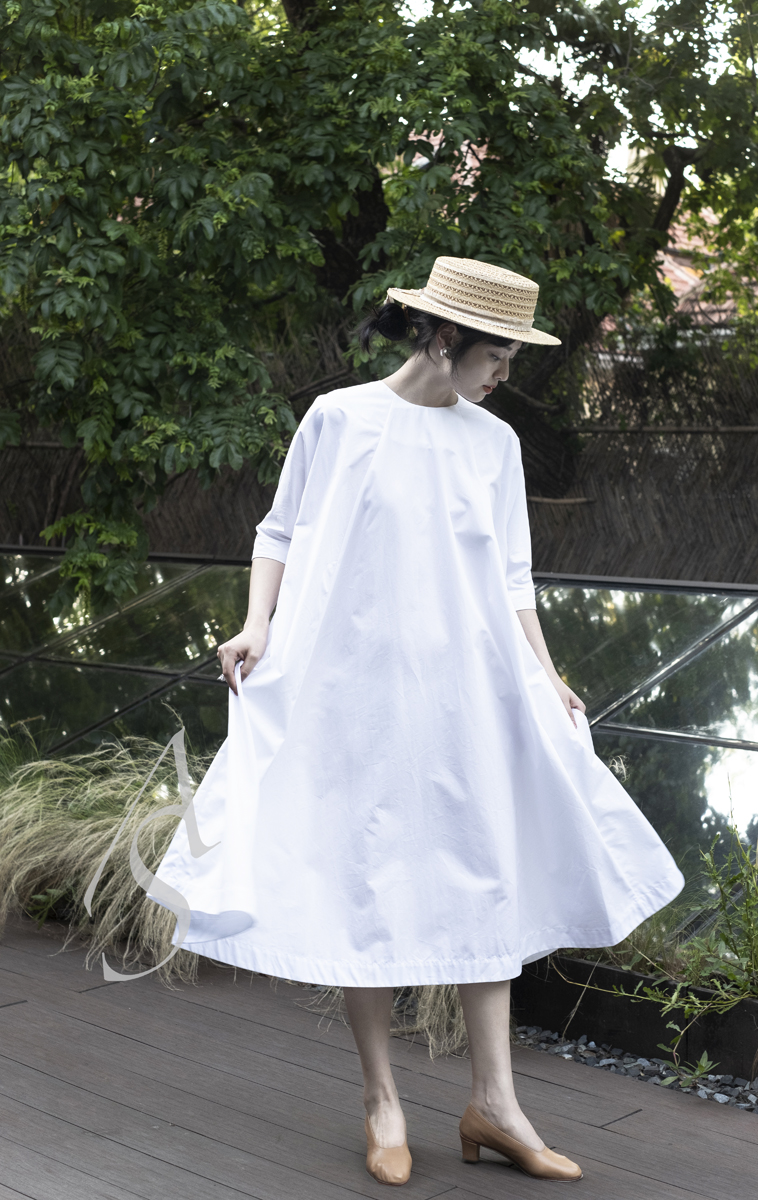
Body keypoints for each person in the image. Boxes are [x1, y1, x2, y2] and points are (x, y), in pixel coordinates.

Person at [151, 257, 684, 1187]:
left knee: (485, 871)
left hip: (466, 689)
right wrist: (256, 624)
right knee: (365, 877)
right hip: (353, 686)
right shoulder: (339, 418)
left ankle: (496, 1104)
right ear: (444, 338)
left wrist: (547, 675)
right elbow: (279, 532)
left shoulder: (494, 444)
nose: (505, 374)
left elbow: (512, 577)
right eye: (497, 355)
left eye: (511, 358)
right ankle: (382, 1103)